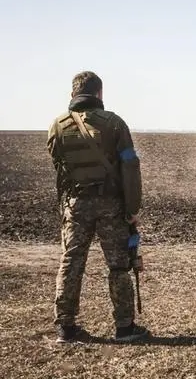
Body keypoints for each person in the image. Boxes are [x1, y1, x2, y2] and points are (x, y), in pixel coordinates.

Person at [47, 71, 150, 343]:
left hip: (76, 205)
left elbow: (60, 170)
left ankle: (66, 327)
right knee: (118, 266)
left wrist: (66, 207)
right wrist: (132, 208)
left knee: (71, 262)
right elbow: (130, 166)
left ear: (73, 94)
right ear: (99, 94)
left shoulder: (57, 126)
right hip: (110, 205)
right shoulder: (114, 124)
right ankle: (125, 327)